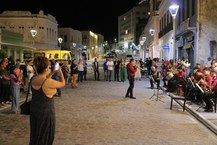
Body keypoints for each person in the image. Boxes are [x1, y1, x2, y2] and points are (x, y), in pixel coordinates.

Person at [29, 56, 65, 145]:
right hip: (46, 112)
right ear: (46, 68)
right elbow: (62, 83)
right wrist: (60, 72)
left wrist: (52, 72)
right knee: (46, 135)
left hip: (34, 110)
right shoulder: (47, 82)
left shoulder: (33, 79)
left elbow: (45, 79)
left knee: (35, 133)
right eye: (49, 67)